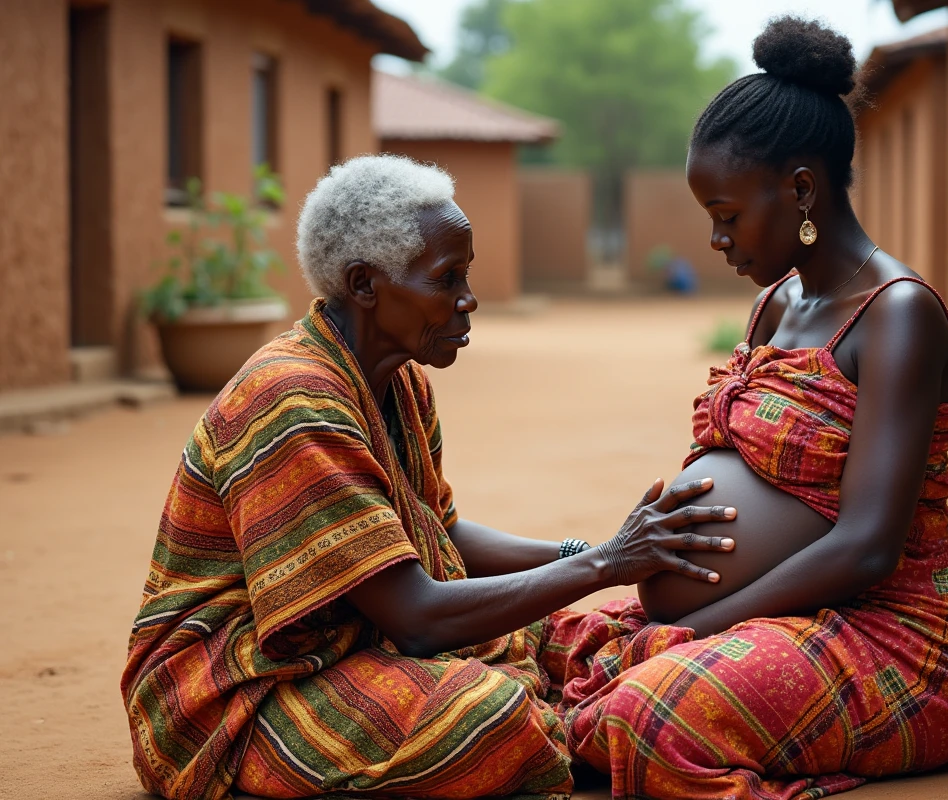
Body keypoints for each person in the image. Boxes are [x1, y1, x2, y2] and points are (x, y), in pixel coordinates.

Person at [120, 154, 736, 800]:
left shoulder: (399, 379)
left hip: (357, 638)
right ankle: (573, 736)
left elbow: (439, 534)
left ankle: (580, 728)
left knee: (603, 637)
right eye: (448, 279)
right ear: (365, 285)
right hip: (239, 692)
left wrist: (589, 554)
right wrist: (606, 564)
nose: (469, 301)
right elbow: (415, 616)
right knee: (490, 717)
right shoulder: (292, 401)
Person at [558, 17, 948, 798]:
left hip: (892, 640)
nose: (717, 240)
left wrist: (689, 629)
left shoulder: (896, 315)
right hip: (767, 624)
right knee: (546, 643)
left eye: (727, 215)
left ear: (800, 189)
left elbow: (866, 549)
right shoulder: (774, 304)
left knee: (646, 719)